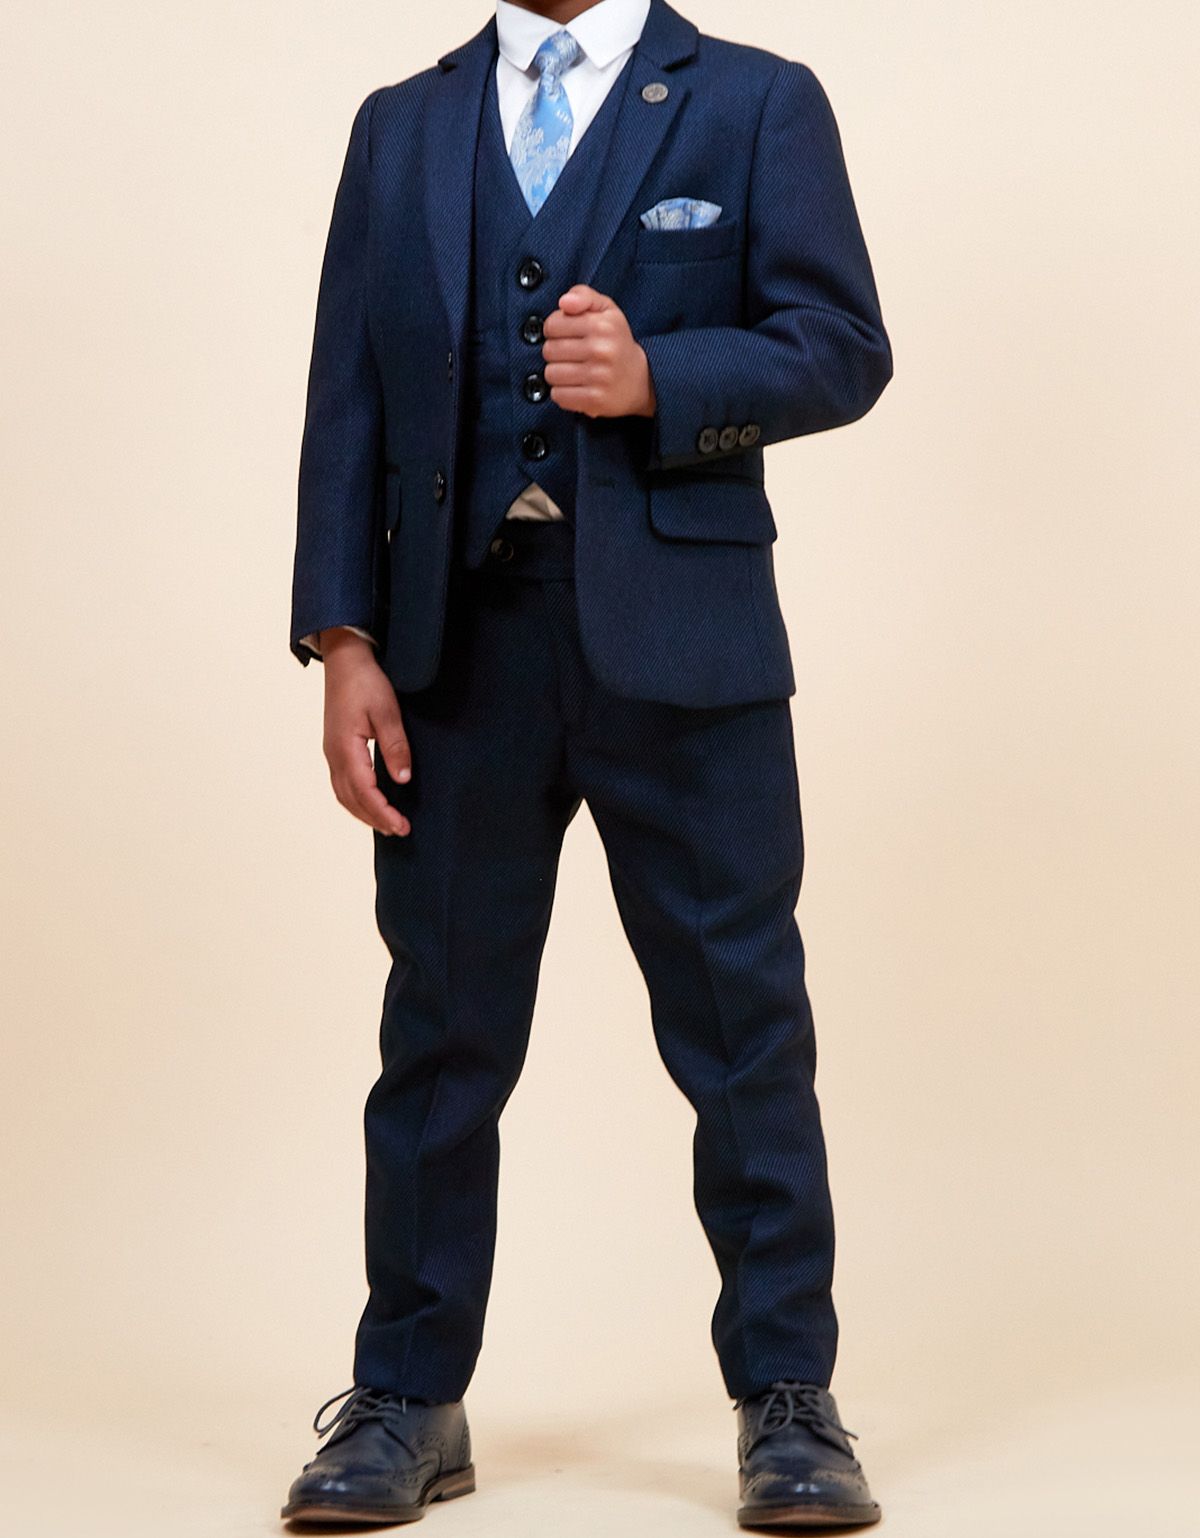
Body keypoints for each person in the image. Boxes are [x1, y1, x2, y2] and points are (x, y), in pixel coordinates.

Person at [280, 0, 892, 1527]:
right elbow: (346, 394)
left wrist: (663, 377)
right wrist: (343, 637)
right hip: (452, 650)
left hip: (685, 644)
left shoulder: (757, 101)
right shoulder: (400, 125)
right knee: (439, 1030)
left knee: (743, 1026)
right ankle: (410, 1393)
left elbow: (842, 346)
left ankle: (789, 1395)